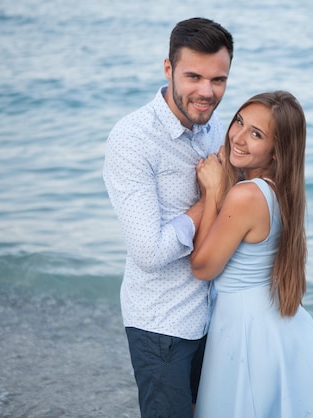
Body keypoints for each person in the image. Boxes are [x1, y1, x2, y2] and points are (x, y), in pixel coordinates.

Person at [102, 17, 234, 418]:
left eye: (219, 80)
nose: (206, 92)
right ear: (168, 68)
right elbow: (150, 251)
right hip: (162, 324)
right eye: (193, 76)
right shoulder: (132, 139)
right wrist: (208, 198)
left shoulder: (217, 131)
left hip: (214, 316)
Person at [190, 91, 313, 417]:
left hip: (245, 329)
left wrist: (211, 192)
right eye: (239, 121)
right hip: (280, 325)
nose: (238, 136)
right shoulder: (283, 191)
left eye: (256, 134)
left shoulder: (247, 195)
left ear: (276, 151)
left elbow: (202, 266)